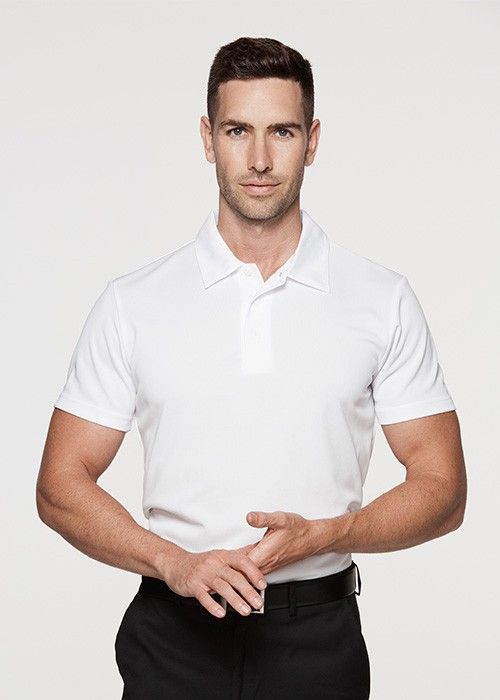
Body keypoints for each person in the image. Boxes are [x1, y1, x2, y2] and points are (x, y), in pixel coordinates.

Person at [36, 36, 467, 699]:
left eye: (282, 132)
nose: (260, 159)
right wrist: (173, 563)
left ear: (312, 141)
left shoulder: (380, 300)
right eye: (238, 131)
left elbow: (443, 488)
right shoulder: (134, 303)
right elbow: (60, 483)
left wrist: (328, 534)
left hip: (317, 639)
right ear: (207, 139)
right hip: (174, 637)